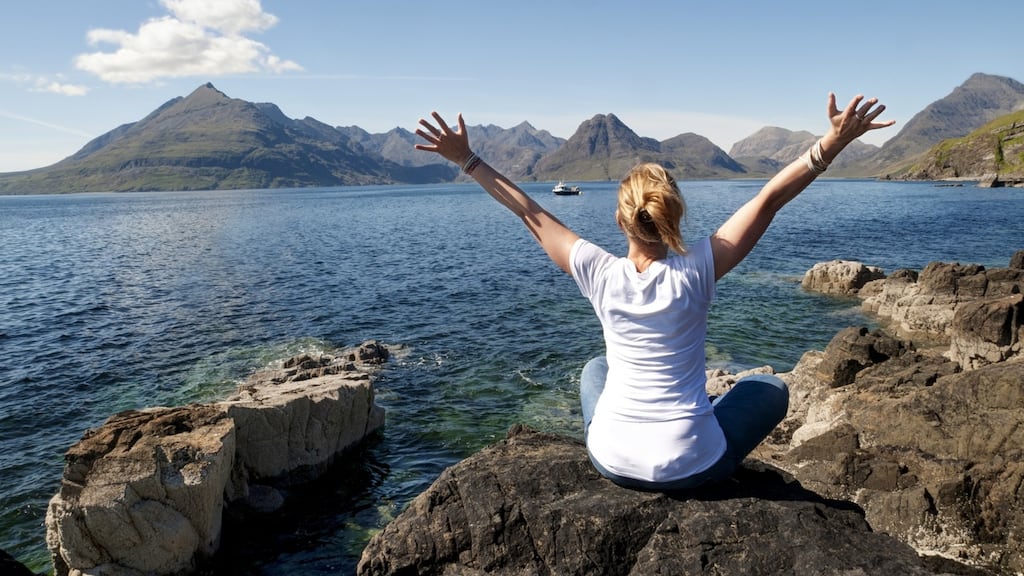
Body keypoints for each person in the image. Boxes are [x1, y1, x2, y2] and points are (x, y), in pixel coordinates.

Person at [414, 93, 894, 491]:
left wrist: (467, 159)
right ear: (674, 215)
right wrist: (830, 143)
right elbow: (768, 199)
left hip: (613, 462)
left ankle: (632, 434)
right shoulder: (699, 268)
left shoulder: (597, 272)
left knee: (594, 370)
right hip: (692, 467)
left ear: (621, 219)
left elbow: (530, 213)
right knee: (769, 386)